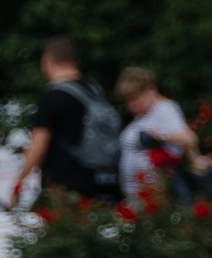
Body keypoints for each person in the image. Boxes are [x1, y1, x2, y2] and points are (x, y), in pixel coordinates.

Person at [11, 39, 127, 207]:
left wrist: (20, 179)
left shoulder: (53, 96)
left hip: (67, 187)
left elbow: (39, 144)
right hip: (104, 180)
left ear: (48, 60)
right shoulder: (94, 90)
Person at [116, 65, 207, 205]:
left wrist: (158, 135)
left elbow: (189, 139)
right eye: (128, 101)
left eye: (135, 98)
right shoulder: (141, 116)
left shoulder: (164, 109)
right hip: (137, 193)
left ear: (150, 90)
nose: (132, 105)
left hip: (158, 191)